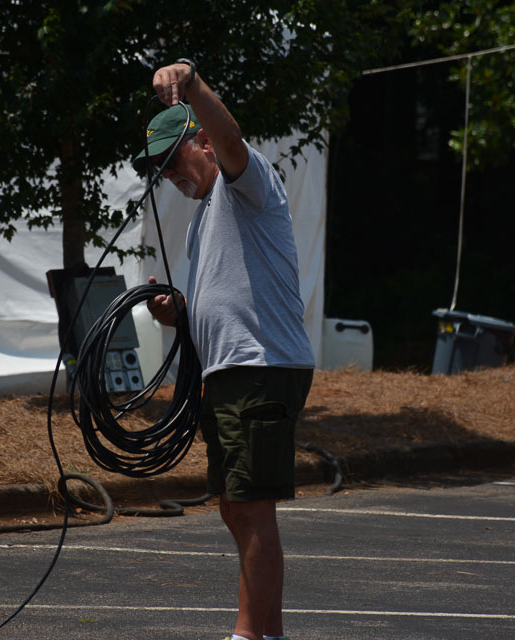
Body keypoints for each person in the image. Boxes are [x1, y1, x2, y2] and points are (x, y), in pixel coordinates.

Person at [133, 60, 315, 640]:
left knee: (252, 508)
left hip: (261, 366)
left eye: (171, 160)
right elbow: (223, 293)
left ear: (204, 144)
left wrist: (191, 84)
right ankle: (267, 632)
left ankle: (247, 635)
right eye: (158, 169)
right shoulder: (203, 219)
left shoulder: (248, 183)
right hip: (233, 371)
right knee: (236, 507)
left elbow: (232, 136)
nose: (167, 175)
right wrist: (179, 312)